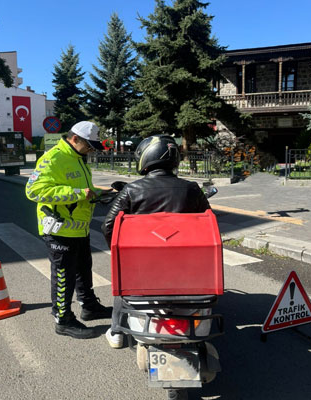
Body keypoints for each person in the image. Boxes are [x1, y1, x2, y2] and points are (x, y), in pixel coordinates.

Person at [101, 135, 211, 348]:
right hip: (186, 266)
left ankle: (116, 332)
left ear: (145, 158)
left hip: (145, 267)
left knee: (123, 289)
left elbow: (108, 226)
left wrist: (120, 255)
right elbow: (210, 225)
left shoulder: (132, 190)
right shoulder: (192, 189)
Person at [25, 121, 112, 339]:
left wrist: (104, 192)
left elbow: (84, 190)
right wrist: (79, 193)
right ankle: (63, 320)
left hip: (79, 229)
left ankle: (89, 307)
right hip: (59, 229)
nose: (91, 150)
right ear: (75, 139)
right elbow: (34, 191)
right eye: (89, 146)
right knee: (64, 275)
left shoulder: (78, 158)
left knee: (84, 269)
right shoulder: (53, 158)